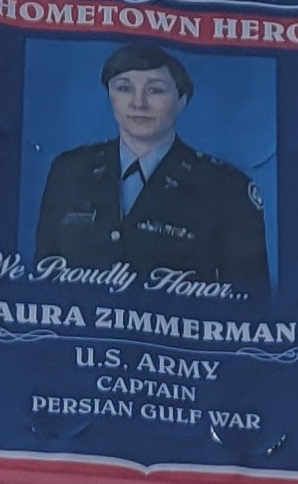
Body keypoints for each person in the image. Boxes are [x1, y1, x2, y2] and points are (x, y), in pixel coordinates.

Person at [35, 43, 270, 295]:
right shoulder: (69, 171)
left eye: (155, 90)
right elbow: (44, 281)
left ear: (181, 100)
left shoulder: (225, 188)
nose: (138, 103)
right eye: (124, 88)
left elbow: (250, 305)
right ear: (109, 96)